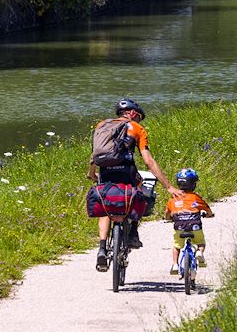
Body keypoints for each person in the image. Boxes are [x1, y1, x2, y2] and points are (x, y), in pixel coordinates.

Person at [87, 98, 182, 272]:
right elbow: (148, 160)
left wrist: (92, 173)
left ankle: (102, 248)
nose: (138, 120)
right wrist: (168, 186)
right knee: (141, 189)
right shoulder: (137, 128)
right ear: (132, 114)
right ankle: (132, 234)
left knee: (106, 204)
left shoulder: (102, 125)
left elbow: (96, 153)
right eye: (138, 116)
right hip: (127, 172)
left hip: (105, 171)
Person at [164, 168, 214, 275]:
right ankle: (199, 252)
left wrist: (168, 218)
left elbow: (167, 214)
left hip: (179, 227)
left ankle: (175, 264)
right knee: (201, 242)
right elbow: (207, 209)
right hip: (194, 225)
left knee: (177, 245)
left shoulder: (173, 198)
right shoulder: (196, 197)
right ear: (193, 184)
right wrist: (209, 215)